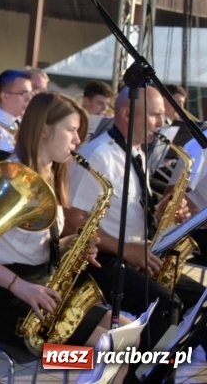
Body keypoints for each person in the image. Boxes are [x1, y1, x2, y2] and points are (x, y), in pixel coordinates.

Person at [0, 92, 138, 381]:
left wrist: (71, 245)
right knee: (114, 352)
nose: (77, 141)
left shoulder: (50, 173)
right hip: (6, 298)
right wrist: (19, 286)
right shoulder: (12, 179)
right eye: (71, 131)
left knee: (128, 334)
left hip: (40, 291)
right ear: (44, 129)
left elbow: (33, 244)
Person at [68, 86, 206, 356]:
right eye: (155, 115)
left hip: (136, 254)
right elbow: (73, 224)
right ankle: (143, 374)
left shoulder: (136, 151)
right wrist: (126, 249)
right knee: (167, 305)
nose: (162, 123)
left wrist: (161, 213)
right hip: (100, 261)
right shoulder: (98, 156)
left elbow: (128, 210)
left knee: (201, 300)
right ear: (127, 113)